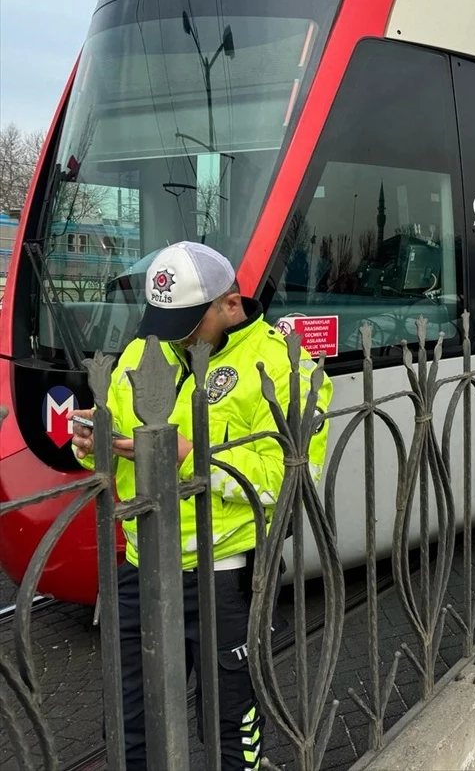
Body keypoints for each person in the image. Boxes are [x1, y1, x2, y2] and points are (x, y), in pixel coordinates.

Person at [70, 241, 333, 771]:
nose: (171, 334)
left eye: (189, 319)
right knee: (129, 723)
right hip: (143, 571)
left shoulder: (287, 365)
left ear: (230, 304)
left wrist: (193, 459)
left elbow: (291, 476)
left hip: (227, 578)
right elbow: (116, 451)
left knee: (231, 727)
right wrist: (91, 446)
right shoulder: (141, 355)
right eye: (164, 319)